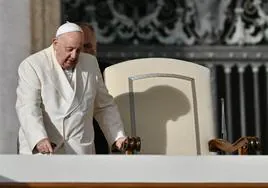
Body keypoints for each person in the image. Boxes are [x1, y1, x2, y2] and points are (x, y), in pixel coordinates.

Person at [16, 22, 126, 154]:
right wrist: (39, 138)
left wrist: (118, 137)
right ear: (55, 43)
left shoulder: (90, 63)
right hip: (46, 150)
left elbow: (104, 106)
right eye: (69, 49)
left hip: (80, 151)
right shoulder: (32, 65)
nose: (74, 56)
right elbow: (28, 107)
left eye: (78, 50)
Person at [76, 22, 111, 154]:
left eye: (91, 46)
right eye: (85, 46)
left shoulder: (108, 72)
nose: (90, 51)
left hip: (102, 141)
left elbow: (108, 108)